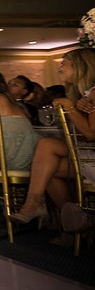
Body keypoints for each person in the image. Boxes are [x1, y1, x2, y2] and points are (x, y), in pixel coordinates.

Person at [8, 49, 95, 241]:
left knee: (46, 146)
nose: (60, 67)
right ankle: (75, 223)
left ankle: (37, 206)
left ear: (80, 67)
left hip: (92, 153)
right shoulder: (84, 95)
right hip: (87, 153)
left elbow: (90, 134)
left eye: (64, 63)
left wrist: (69, 107)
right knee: (49, 169)